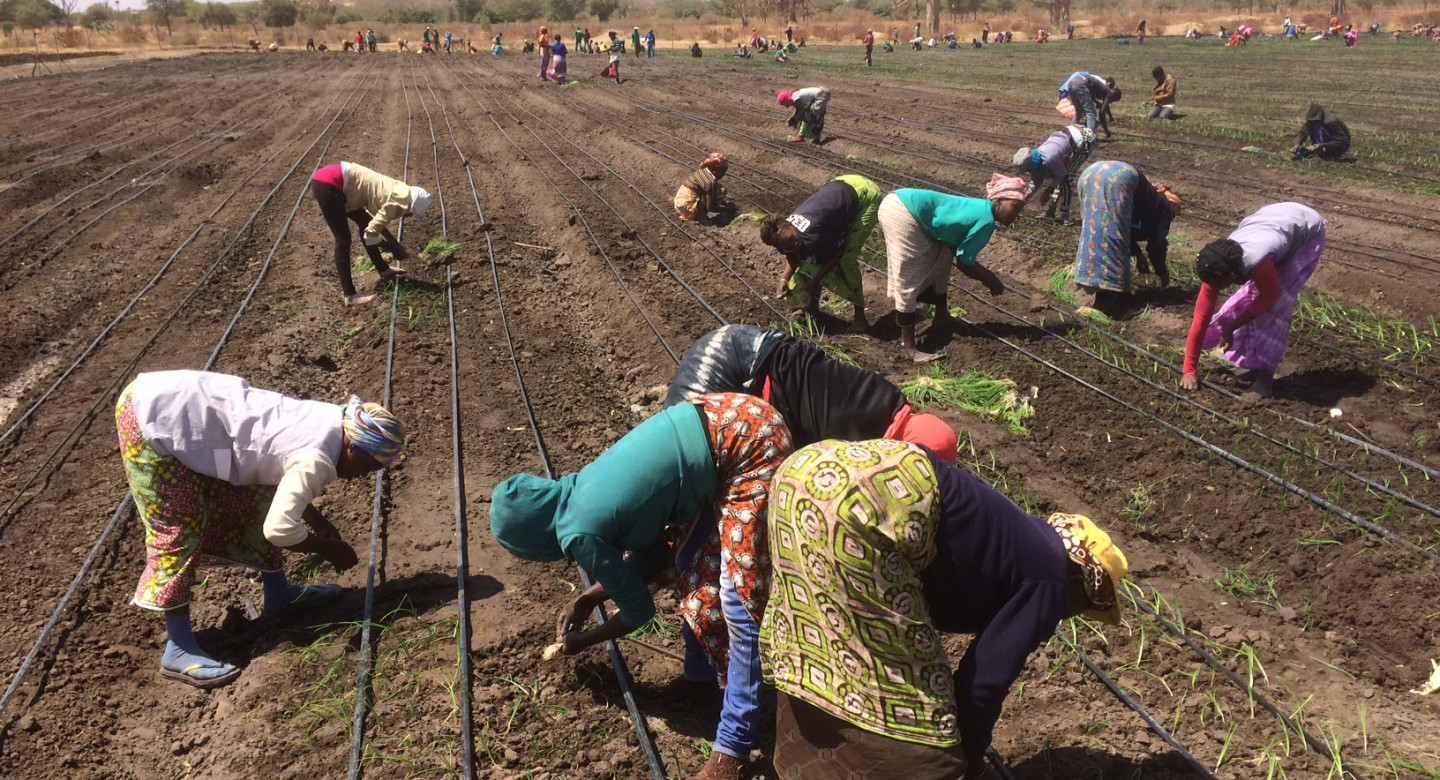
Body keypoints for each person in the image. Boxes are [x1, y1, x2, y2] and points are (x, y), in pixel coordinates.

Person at [762, 438, 1129, 780]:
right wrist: (967, 758)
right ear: (1083, 583)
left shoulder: (1024, 539)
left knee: (819, 638)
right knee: (912, 699)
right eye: (1084, 607)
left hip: (807, 476)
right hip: (862, 508)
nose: (1071, 615)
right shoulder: (1050, 580)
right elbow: (984, 679)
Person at [490, 393, 793, 780]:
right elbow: (654, 554)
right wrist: (590, 595)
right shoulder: (580, 491)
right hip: (728, 418)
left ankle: (732, 750)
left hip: (746, 446)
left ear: (531, 543)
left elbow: (640, 612)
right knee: (691, 566)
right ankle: (699, 680)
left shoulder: (576, 533)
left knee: (738, 598)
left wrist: (585, 641)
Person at [117, 370, 404, 689]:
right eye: (367, 467)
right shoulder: (319, 458)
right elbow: (279, 529)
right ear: (353, 447)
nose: (363, 476)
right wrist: (329, 549)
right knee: (176, 529)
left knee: (254, 497)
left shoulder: (335, 420)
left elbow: (280, 469)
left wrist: (318, 522)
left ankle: (279, 595)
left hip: (189, 407)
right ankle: (179, 648)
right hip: (152, 417)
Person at [664, 326, 959, 458]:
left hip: (759, 344)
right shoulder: (858, 431)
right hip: (737, 364)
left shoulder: (889, 401)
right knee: (691, 457)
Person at [1180, 203, 1325, 398]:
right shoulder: (1217, 265)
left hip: (1306, 232)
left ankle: (1265, 377)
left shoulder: (1257, 260)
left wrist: (1231, 327)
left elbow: (1269, 296)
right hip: (1275, 224)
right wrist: (1189, 370)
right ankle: (1256, 367)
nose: (1215, 288)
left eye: (1219, 284)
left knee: (1276, 307)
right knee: (1250, 302)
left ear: (1233, 274)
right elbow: (1201, 317)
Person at [878, 175, 1027, 362]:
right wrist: (990, 280)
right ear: (997, 203)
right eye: (1014, 207)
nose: (1016, 215)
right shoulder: (986, 221)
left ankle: (941, 315)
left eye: (1020, 210)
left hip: (901, 202)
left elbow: (957, 252)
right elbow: (964, 263)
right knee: (909, 272)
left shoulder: (983, 211)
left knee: (944, 256)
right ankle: (910, 349)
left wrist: (989, 276)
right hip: (902, 211)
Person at [759, 174, 880, 329]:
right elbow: (792, 255)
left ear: (790, 227)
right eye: (786, 246)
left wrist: (815, 281)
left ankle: (860, 318)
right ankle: (810, 309)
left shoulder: (813, 236)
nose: (793, 245)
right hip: (843, 182)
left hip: (865, 193)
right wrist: (784, 279)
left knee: (847, 260)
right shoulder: (785, 235)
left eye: (791, 240)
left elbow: (834, 257)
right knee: (811, 262)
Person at [310, 161, 431, 305]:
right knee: (343, 240)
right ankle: (350, 295)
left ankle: (383, 269)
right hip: (330, 183)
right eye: (410, 213)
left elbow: (376, 222)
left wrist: (393, 243)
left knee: (365, 223)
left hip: (340, 181)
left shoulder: (401, 192)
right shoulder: (396, 203)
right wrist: (392, 248)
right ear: (410, 206)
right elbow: (370, 235)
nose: (408, 216)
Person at [1071, 161, 1179, 317]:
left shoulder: (1145, 201)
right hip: (1119, 179)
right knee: (1113, 240)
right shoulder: (1164, 208)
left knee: (1095, 230)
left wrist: (1138, 254)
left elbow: (1125, 227)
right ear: (1172, 204)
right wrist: (1162, 270)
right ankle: (1117, 306)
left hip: (1090, 174)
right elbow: (1157, 243)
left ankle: (1100, 296)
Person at [1013, 124, 1096, 225]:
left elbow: (1061, 174)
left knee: (1066, 179)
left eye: (1027, 169)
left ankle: (1065, 215)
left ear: (1031, 165)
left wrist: (1048, 190)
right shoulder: (1036, 159)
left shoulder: (1049, 159)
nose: (1028, 172)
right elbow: (1036, 180)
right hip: (1068, 137)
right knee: (1058, 183)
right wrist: (1024, 198)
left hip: (1084, 140)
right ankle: (1050, 211)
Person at [673, 153, 736, 224]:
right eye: (722, 171)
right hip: (687, 207)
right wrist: (726, 209)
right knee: (717, 193)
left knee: (716, 189)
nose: (723, 174)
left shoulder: (703, 171)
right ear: (715, 169)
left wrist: (725, 203)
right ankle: (700, 216)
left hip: (679, 202)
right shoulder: (709, 182)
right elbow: (710, 207)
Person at [1059, 72, 1117, 137]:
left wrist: (1110, 116)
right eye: (1111, 101)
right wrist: (1106, 130)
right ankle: (1091, 139)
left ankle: (1071, 135)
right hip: (1081, 85)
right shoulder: (1107, 90)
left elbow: (1092, 97)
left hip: (1072, 84)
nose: (1110, 102)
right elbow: (1102, 112)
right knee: (1091, 112)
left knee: (1078, 111)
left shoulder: (1102, 87)